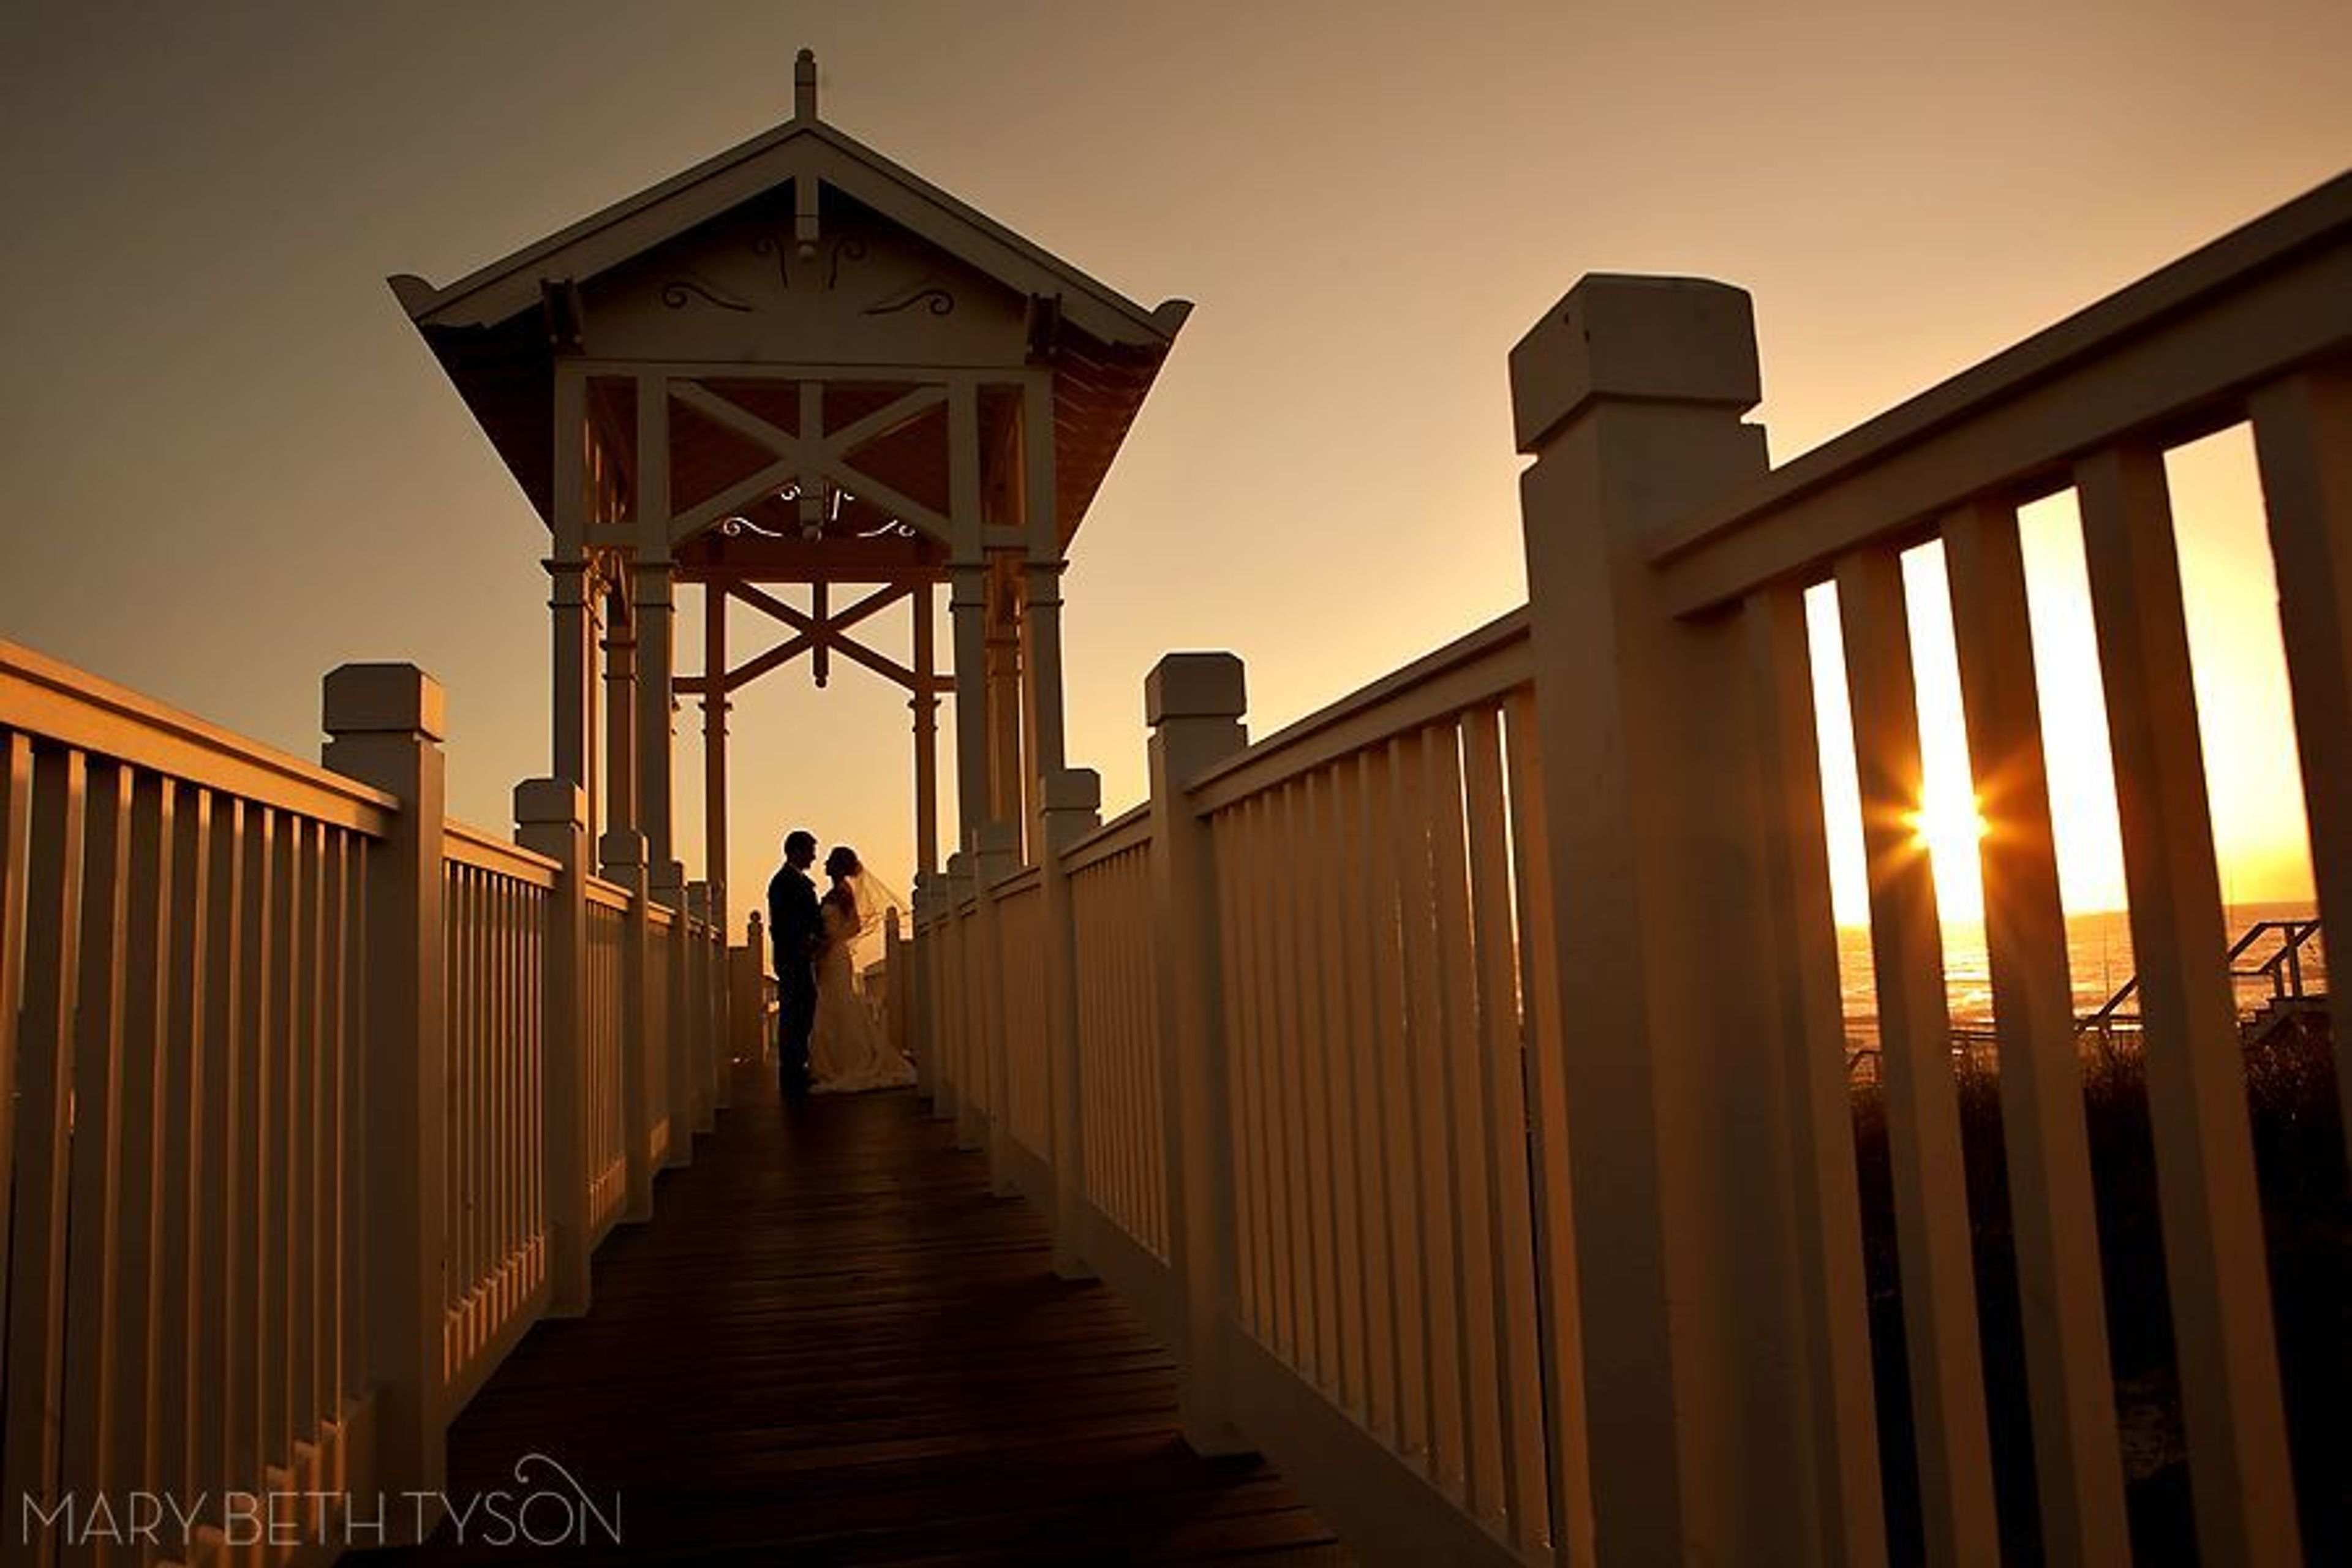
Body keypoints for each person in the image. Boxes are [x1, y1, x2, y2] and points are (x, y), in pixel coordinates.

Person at [807, 846, 916, 1093]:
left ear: (837, 867)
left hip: (835, 956)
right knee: (831, 1005)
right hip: (830, 957)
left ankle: (849, 1062)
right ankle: (834, 1062)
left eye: (829, 862)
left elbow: (854, 927)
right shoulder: (835, 893)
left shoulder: (843, 893)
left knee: (838, 1004)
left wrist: (829, 942)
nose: (824, 864)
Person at [766, 829, 822, 1101]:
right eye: (811, 850)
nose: (814, 856)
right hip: (792, 958)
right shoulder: (782, 882)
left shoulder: (799, 881)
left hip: (801, 957)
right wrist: (803, 943)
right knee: (794, 1012)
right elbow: (782, 923)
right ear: (796, 851)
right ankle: (792, 1071)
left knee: (804, 1008)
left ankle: (798, 1066)